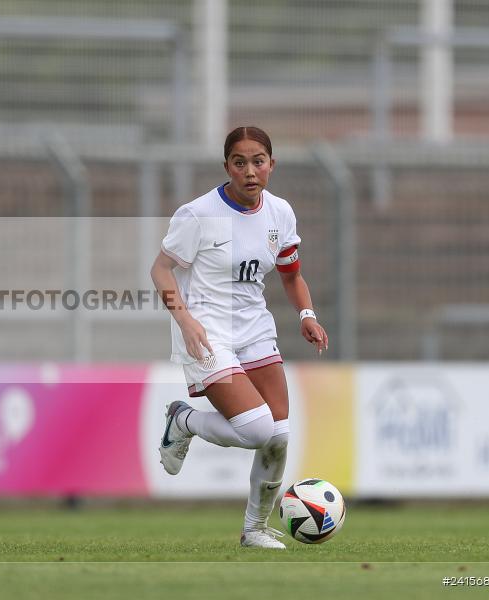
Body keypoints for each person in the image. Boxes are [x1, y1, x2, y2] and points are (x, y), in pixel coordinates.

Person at [151, 126, 327, 549]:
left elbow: (292, 274)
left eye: (258, 161)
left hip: (255, 330)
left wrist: (307, 313)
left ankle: (254, 530)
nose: (250, 171)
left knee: (279, 436)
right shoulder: (198, 215)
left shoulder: (280, 213)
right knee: (255, 431)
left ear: (272, 164)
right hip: (207, 333)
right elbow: (160, 269)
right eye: (240, 162)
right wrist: (185, 320)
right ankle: (184, 420)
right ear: (227, 166)